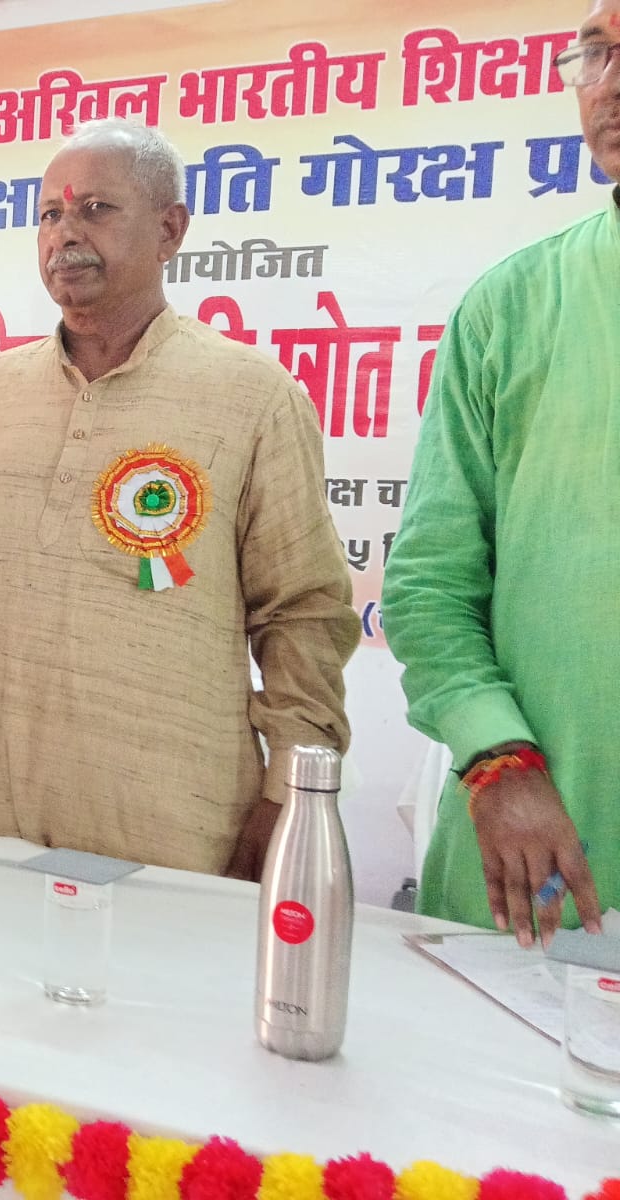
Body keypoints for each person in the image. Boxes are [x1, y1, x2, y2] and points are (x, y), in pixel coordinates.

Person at [0, 119, 359, 878]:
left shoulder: (254, 397)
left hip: (169, 833)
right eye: (50, 214)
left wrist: (285, 798)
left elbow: (304, 616)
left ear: (170, 229)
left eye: (96, 210)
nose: (65, 234)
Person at [382, 0, 620, 947]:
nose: (609, 84)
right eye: (595, 55)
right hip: (539, 861)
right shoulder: (513, 305)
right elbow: (429, 582)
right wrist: (497, 758)